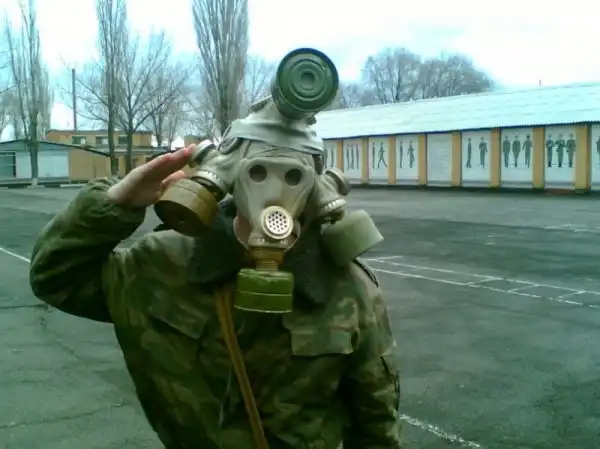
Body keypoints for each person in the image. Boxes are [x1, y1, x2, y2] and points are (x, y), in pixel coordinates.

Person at [28, 48, 402, 449]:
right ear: (226, 176)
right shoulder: (161, 263)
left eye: (293, 177)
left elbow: (375, 423)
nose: (274, 193)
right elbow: (56, 278)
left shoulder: (348, 289)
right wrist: (114, 204)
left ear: (317, 186)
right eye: (257, 173)